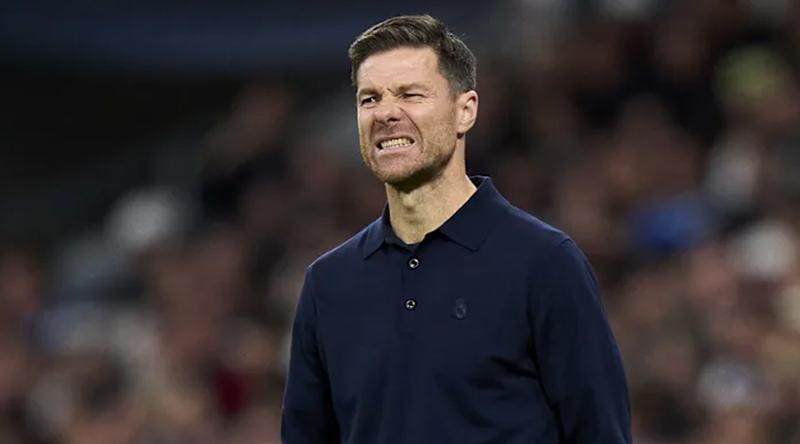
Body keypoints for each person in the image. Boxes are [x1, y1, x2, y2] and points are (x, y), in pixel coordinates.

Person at [281, 14, 631, 444]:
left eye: (410, 94)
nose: (386, 113)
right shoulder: (328, 283)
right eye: (370, 99)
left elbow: (599, 431)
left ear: (465, 111)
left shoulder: (544, 262)